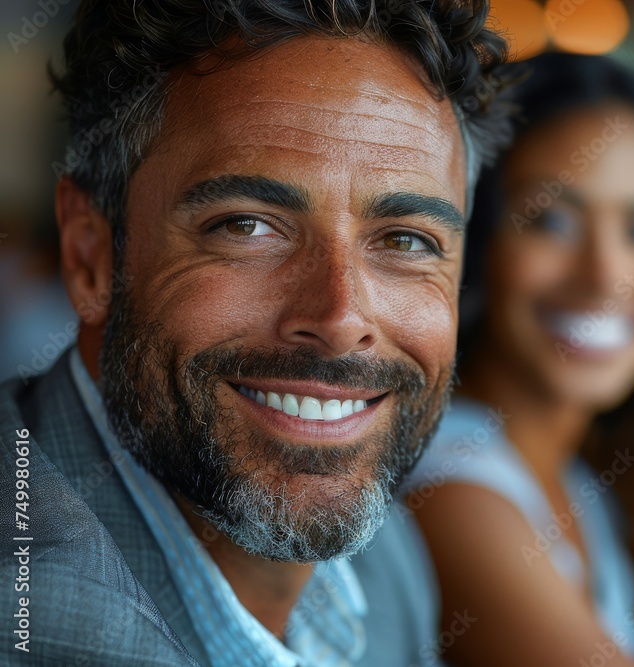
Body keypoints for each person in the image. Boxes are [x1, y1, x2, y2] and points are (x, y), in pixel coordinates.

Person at [0, 1, 512, 665]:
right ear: (91, 255)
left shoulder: (382, 555)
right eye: (247, 226)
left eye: (406, 239)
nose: (339, 319)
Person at [399, 52, 634, 666]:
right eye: (551, 221)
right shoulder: (454, 490)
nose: (605, 277)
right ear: (475, 241)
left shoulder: (587, 478)